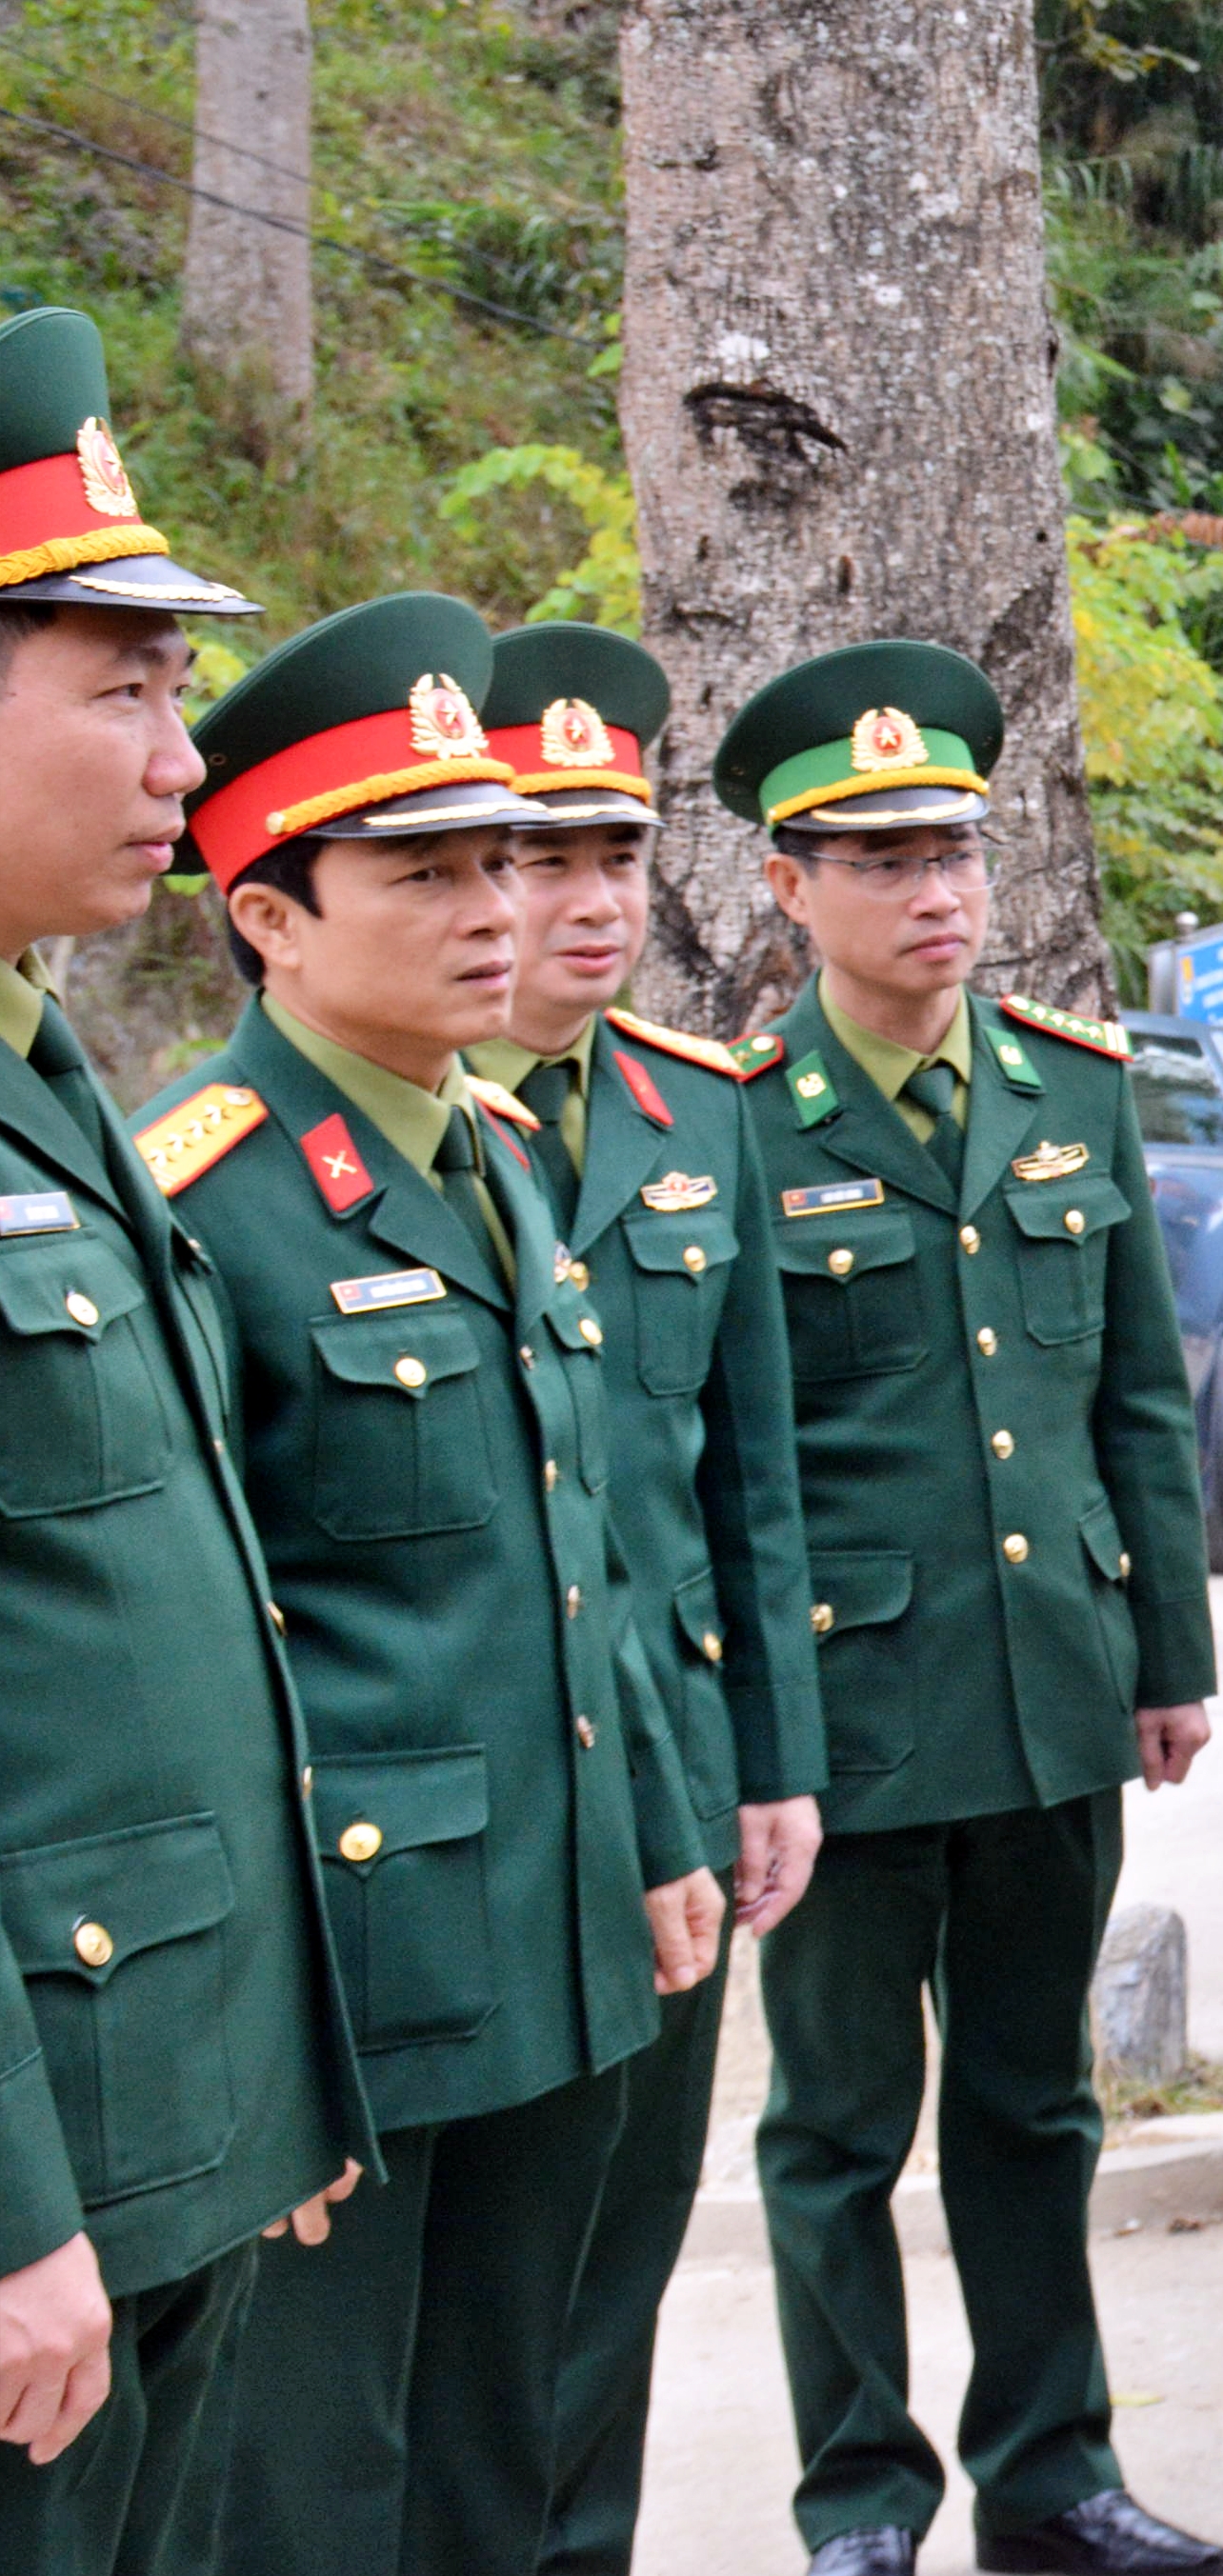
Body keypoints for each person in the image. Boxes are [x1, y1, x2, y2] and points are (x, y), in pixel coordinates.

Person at [151, 589, 725, 2575]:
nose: (497, 900)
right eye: (425, 867)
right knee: (314, 2490)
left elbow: (583, 1551)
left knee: (511, 2452)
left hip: (548, 1942)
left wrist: (651, 1823)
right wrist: (257, 2053)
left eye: (504, 851)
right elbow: (199, 1675)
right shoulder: (204, 1198)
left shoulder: (491, 1145)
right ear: (271, 916)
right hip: (354, 1995)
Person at [712, 641, 1223, 2576]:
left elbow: (1136, 1397)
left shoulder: (1070, 1089)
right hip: (851, 1715)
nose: (935, 891)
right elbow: (732, 1462)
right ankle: (858, 2496)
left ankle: (1052, 2473)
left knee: (1036, 2107)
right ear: (787, 884)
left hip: (1048, 1694)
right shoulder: (735, 1120)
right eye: (879, 858)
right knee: (837, 2134)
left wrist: (1164, 1653)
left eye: (956, 850)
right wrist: (757, 1736)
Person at [0, 302, 369, 2576]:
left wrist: (272, 2085)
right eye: (121, 687)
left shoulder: (56, 1085)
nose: (178, 750)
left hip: (167, 2117)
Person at [461, 619, 832, 2576]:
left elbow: (745, 1480)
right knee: (469, 2316)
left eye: (615, 851)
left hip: (676, 1780)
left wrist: (772, 1758)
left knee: (617, 2275)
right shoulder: (397, 1127)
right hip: (481, 1806)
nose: (590, 899)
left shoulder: (703, 1106)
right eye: (535, 852)